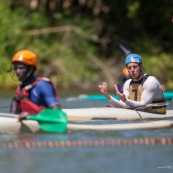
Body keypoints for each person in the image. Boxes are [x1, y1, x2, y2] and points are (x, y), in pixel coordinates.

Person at [99, 53, 166, 114]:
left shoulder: (150, 82)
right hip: (141, 114)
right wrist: (107, 95)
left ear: (141, 67)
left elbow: (143, 104)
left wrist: (126, 100)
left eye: (135, 67)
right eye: (129, 68)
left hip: (157, 115)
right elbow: (122, 105)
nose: (132, 70)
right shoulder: (127, 83)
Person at [9, 50, 61, 121]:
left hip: (45, 123)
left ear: (31, 69)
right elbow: (17, 114)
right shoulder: (20, 88)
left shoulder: (42, 85)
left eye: (21, 68)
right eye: (16, 68)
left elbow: (57, 112)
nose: (17, 71)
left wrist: (31, 116)